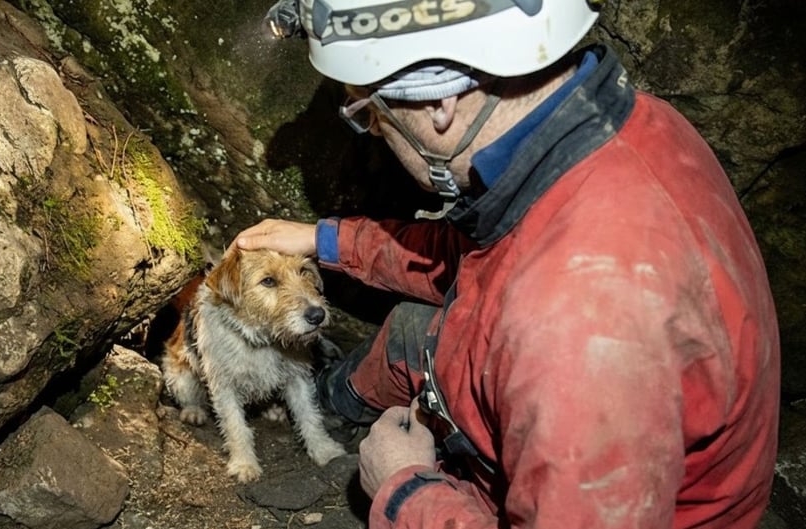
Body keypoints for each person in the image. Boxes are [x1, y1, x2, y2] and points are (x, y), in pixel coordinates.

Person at [237, 0, 781, 527]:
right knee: (407, 328)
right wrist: (325, 240)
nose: (375, 131)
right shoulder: (629, 127)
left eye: (369, 113)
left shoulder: (580, 326)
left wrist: (403, 488)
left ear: (438, 104)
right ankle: (330, 396)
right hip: (589, 429)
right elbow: (481, 260)